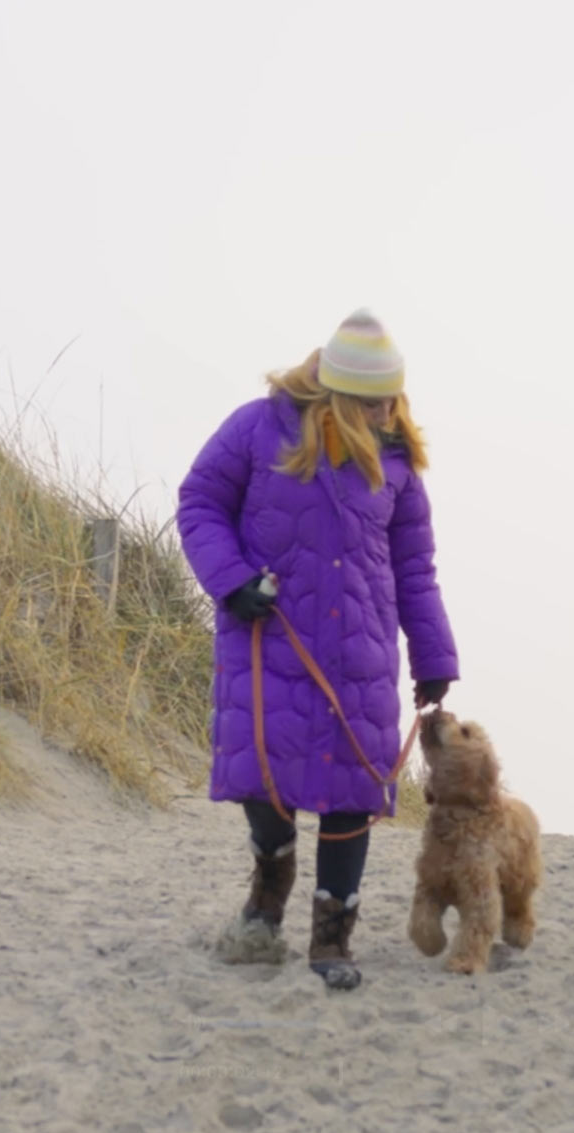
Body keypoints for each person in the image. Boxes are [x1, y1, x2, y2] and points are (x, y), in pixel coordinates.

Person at [175, 309, 458, 991]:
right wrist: (233, 580)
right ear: (335, 391)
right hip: (267, 638)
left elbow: (414, 569)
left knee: (351, 795)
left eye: (391, 396)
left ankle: (333, 937)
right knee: (263, 777)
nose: (384, 410)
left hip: (360, 651)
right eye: (369, 399)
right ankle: (267, 893)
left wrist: (434, 661)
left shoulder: (397, 463)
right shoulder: (255, 428)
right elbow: (199, 503)